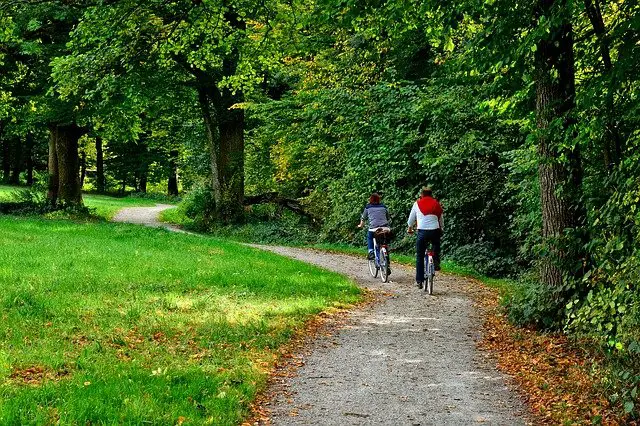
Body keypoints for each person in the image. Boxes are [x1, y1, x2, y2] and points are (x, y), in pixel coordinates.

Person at [407, 187, 444, 287]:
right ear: (431, 194)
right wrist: (442, 229)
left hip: (422, 231)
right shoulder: (436, 203)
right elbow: (440, 218)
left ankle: (419, 280)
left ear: (421, 195)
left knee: (420, 255)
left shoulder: (417, 203)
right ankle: (435, 261)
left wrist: (410, 228)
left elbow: (411, 220)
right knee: (436, 244)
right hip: (435, 230)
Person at [357, 192, 390, 260]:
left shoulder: (368, 207)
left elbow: (363, 218)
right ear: (379, 199)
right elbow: (388, 217)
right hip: (385, 228)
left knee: (369, 236)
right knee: (384, 241)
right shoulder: (383, 206)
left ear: (370, 199)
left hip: (374, 228)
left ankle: (371, 251)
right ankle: (387, 259)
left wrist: (360, 225)